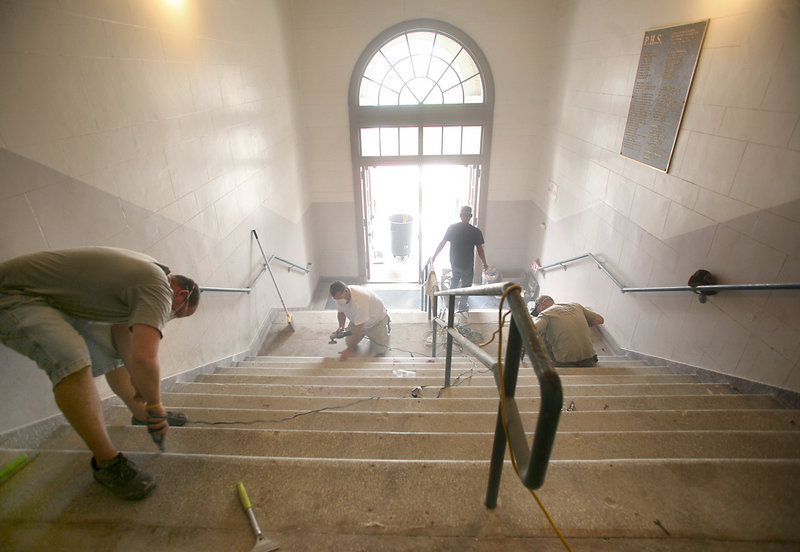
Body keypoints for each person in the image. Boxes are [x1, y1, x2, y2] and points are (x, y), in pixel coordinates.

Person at [0, 247, 199, 500]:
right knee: (71, 359)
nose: (172, 317)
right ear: (181, 294)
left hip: (51, 299)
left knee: (110, 351)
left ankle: (140, 415)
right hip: (13, 295)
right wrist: (156, 404)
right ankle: (107, 463)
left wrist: (140, 384)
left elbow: (122, 336)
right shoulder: (158, 289)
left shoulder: (148, 275)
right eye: (179, 313)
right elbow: (145, 358)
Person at [431, 205, 488, 312]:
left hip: (455, 262)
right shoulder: (475, 231)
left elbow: (442, 243)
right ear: (470, 216)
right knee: (466, 286)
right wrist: (485, 263)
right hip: (467, 264)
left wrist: (434, 256)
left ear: (460, 215)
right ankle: (462, 306)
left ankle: (450, 303)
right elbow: (480, 250)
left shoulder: (452, 228)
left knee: (454, 280)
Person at [532, 295, 604, 367]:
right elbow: (600, 320)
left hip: (566, 363)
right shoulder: (576, 306)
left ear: (542, 304)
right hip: (590, 360)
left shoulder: (545, 314)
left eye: (537, 310)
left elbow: (532, 330)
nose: (538, 313)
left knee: (541, 334)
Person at [329, 280, 390, 361]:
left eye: (339, 298)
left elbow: (359, 329)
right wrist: (341, 327)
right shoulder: (339, 296)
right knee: (349, 343)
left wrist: (349, 349)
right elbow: (341, 313)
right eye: (336, 299)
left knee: (380, 350)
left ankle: (384, 327)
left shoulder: (360, 301)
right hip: (357, 320)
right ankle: (367, 335)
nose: (338, 301)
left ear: (346, 291)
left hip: (375, 323)